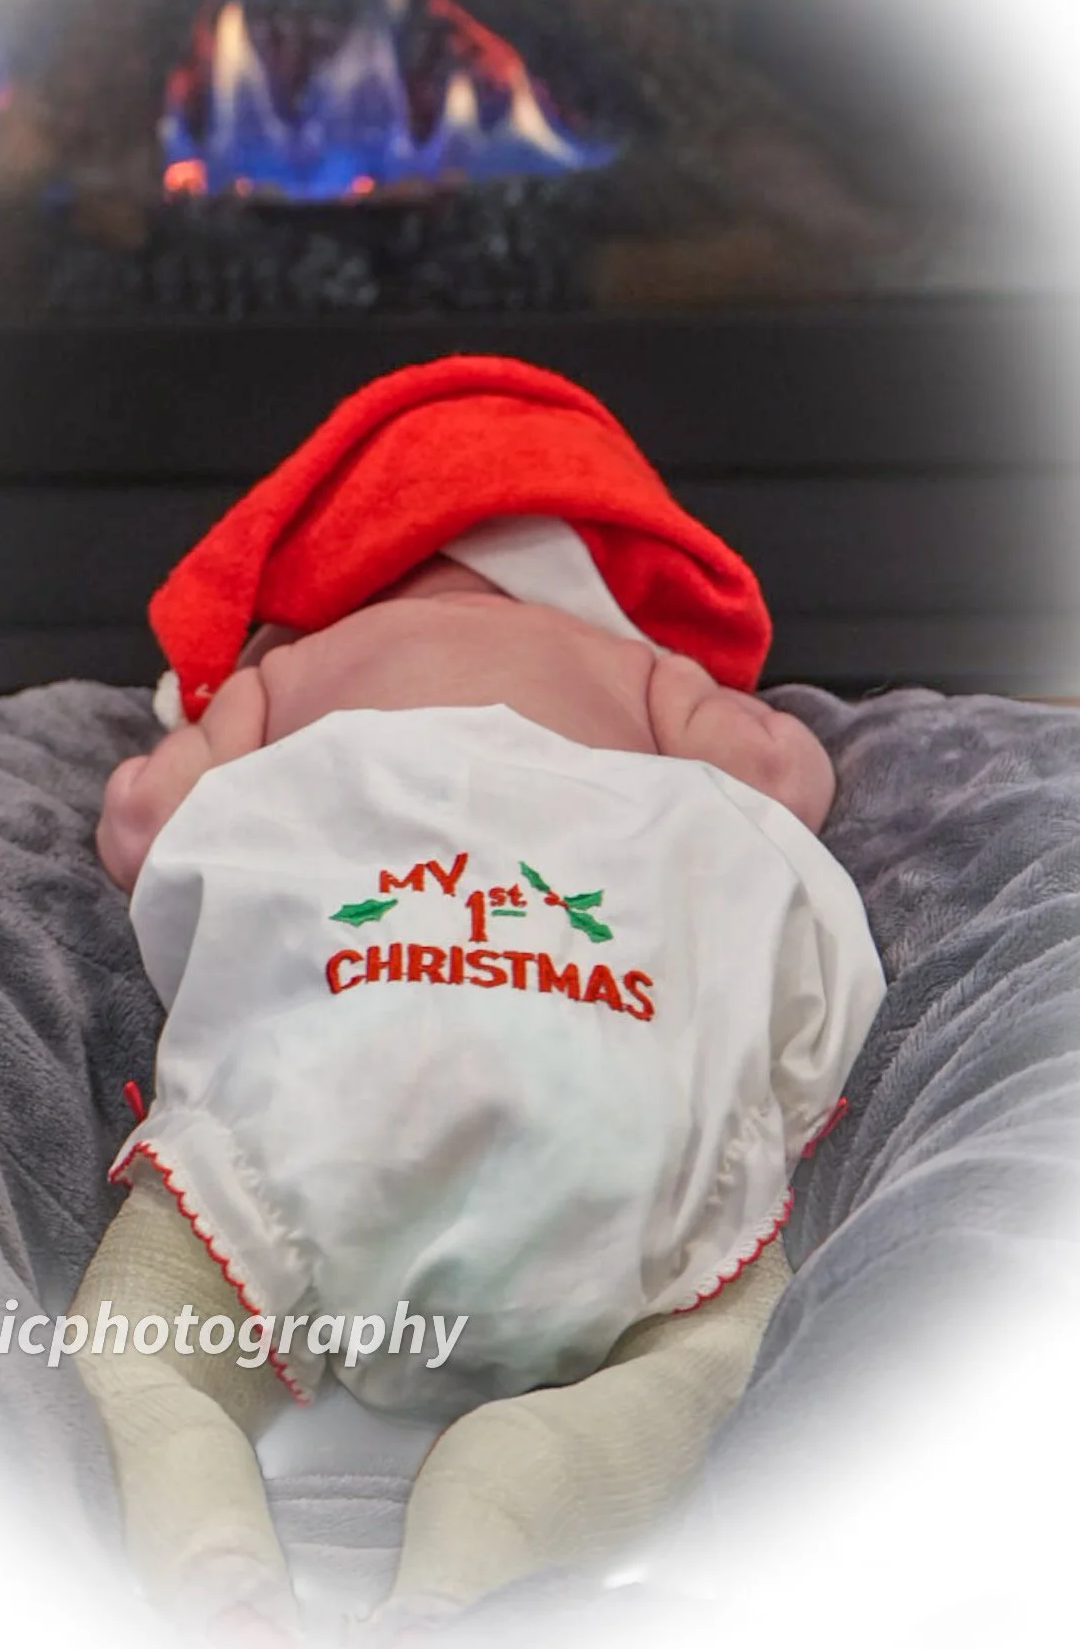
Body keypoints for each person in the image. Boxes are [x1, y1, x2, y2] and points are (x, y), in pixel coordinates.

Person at [75, 357, 884, 1642]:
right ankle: (477, 1562)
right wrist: (708, 709)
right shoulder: (626, 664)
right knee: (714, 1348)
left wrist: (222, 716)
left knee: (137, 1346)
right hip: (609, 1071)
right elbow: (775, 783)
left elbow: (143, 820)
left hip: (330, 1079)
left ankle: (215, 1573)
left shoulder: (304, 662)